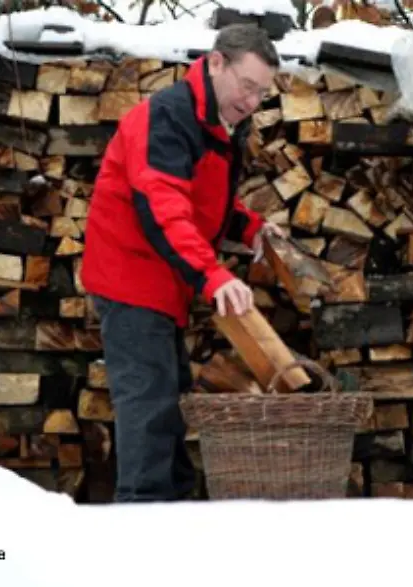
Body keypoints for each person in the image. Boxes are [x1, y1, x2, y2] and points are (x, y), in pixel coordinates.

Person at [80, 24, 284, 502]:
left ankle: (171, 520)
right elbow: (163, 204)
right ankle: (141, 523)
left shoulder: (218, 121)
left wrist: (248, 227)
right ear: (216, 64)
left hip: (163, 285)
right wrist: (212, 273)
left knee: (170, 409)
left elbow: (203, 200)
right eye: (247, 86)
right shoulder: (168, 118)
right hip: (130, 280)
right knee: (149, 411)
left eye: (262, 92)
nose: (253, 101)